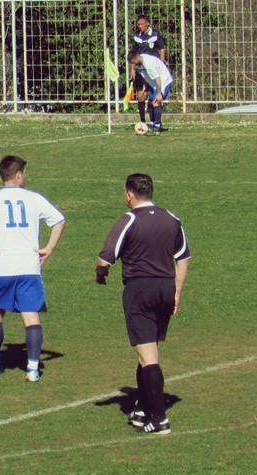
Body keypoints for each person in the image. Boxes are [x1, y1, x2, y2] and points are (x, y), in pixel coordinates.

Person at [95, 174, 190, 434]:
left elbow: (105, 260)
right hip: (166, 289)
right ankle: (142, 408)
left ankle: (159, 419)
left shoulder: (129, 220)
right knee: (147, 349)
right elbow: (183, 258)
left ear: (129, 194)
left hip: (140, 290)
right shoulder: (171, 218)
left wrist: (100, 275)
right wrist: (177, 292)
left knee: (148, 356)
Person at [0, 156, 66, 382]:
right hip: (29, 267)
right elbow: (59, 221)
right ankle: (32, 369)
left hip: (1, 267)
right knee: (31, 317)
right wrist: (49, 248)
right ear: (19, 174)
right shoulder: (34, 198)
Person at [130, 15, 167, 126]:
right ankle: (142, 121)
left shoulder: (155, 34)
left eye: (142, 24)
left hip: (152, 69)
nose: (140, 26)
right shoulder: (137, 36)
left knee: (153, 95)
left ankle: (155, 122)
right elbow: (133, 54)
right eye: (138, 25)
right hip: (141, 69)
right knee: (141, 94)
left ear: (148, 23)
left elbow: (161, 48)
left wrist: (162, 63)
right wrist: (132, 69)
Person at [128, 50, 172, 134]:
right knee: (151, 102)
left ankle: (157, 126)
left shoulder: (148, 64)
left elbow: (158, 78)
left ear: (138, 57)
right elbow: (145, 75)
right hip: (154, 83)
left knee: (156, 101)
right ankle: (154, 124)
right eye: (132, 63)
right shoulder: (138, 64)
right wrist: (145, 86)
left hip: (163, 80)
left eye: (134, 62)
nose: (133, 65)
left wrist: (159, 93)